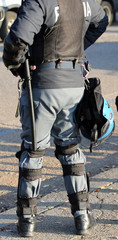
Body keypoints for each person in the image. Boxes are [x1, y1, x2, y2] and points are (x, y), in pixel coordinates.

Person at [2, 0, 108, 237]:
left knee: (34, 151)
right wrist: (78, 49)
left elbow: (17, 38)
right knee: (70, 148)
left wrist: (16, 65)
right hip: (74, 82)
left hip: (44, 84)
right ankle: (82, 217)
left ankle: (27, 221)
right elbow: (102, 22)